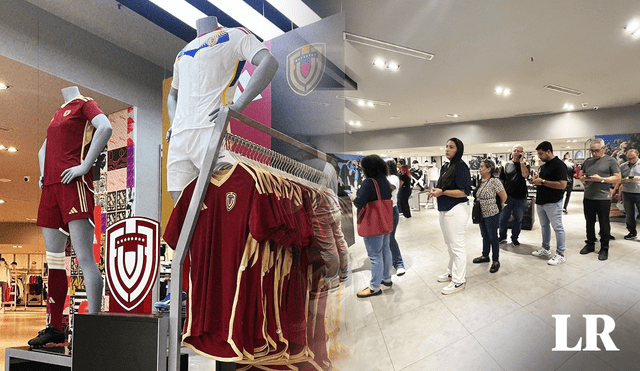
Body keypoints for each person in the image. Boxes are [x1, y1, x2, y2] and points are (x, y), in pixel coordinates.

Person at [30, 86, 112, 347]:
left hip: (73, 184)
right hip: (51, 188)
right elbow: (43, 150)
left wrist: (85, 165)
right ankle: (54, 328)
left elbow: (106, 128)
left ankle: (94, 324)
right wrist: (43, 173)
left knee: (84, 256)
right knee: (54, 260)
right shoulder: (56, 114)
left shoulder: (84, 104)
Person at [166, 16, 279, 204]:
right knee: (181, 204)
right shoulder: (181, 54)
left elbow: (269, 62)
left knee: (224, 199)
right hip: (179, 137)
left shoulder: (234, 35)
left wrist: (238, 106)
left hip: (211, 129)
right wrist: (173, 123)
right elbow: (172, 95)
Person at [430, 138, 471, 295]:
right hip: (445, 209)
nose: (447, 149)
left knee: (457, 245)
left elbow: (465, 191)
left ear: (458, 149)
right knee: (450, 244)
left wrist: (443, 192)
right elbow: (442, 187)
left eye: (451, 147)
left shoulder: (461, 167)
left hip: (457, 209)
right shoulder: (446, 166)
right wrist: (436, 192)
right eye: (446, 146)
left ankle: (459, 280)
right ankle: (451, 272)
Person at [351, 155, 393, 298]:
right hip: (385, 221)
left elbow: (359, 202)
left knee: (375, 256)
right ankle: (386, 278)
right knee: (386, 250)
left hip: (374, 223)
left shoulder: (369, 183)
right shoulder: (385, 181)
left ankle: (374, 287)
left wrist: (353, 197)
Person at [579, 138, 621, 261]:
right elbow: (581, 175)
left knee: (604, 223)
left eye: (596, 150)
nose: (594, 153)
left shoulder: (611, 161)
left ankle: (604, 247)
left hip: (603, 198)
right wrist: (584, 178)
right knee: (589, 222)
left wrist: (602, 179)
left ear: (603, 149)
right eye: (592, 151)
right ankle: (590, 243)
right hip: (588, 197)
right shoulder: (587, 161)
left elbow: (618, 178)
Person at [528, 141, 567, 265]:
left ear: (548, 151)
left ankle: (560, 254)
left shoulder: (559, 165)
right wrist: (535, 180)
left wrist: (543, 181)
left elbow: (562, 185)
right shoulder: (544, 166)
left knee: (558, 228)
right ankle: (545, 248)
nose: (539, 156)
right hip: (541, 201)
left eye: (541, 154)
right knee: (544, 226)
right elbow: (542, 179)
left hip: (553, 202)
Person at [472, 159, 507, 273]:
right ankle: (485, 256)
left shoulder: (495, 181)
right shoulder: (481, 180)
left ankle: (496, 260)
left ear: (489, 169)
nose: (480, 168)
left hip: (491, 213)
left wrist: (499, 205)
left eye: (482, 167)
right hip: (480, 213)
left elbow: (504, 196)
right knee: (484, 236)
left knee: (493, 237)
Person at [498, 144, 530, 246]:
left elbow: (525, 175)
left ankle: (515, 238)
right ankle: (502, 237)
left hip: (520, 197)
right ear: (512, 152)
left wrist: (521, 162)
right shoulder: (505, 165)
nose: (516, 152)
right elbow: (501, 180)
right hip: (507, 197)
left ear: (522, 153)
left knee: (518, 219)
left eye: (519, 151)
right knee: (503, 218)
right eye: (515, 150)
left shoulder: (525, 164)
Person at [385, 158, 406, 276]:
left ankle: (399, 263)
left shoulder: (393, 178)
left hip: (391, 210)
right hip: (383, 211)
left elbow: (387, 189)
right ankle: (390, 262)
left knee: (390, 237)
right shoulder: (384, 178)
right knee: (385, 239)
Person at [618, 149, 640, 240]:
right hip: (627, 193)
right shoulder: (623, 166)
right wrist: (624, 180)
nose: (631, 160)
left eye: (633, 158)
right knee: (629, 214)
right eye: (629, 158)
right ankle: (632, 232)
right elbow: (618, 178)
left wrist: (637, 178)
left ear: (637, 156)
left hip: (639, 192)